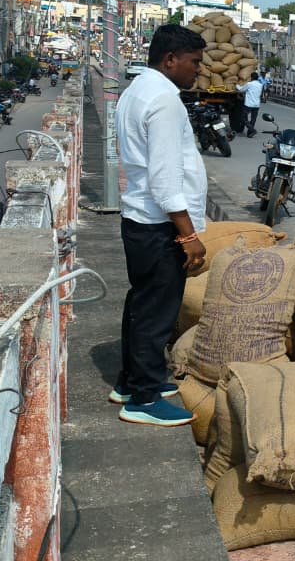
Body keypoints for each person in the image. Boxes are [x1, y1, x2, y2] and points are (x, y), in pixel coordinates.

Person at [112, 24, 208, 427]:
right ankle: (144, 398)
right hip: (159, 225)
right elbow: (165, 179)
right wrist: (189, 235)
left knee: (142, 303)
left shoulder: (137, 90)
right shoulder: (165, 100)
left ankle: (131, 381)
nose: (198, 70)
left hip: (140, 218)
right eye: (193, 62)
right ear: (170, 59)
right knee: (156, 313)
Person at [236, 71, 264, 138]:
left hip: (248, 104)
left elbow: (241, 90)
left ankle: (252, 130)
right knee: (253, 119)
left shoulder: (249, 84)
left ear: (251, 77)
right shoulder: (260, 85)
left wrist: (237, 85)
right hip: (256, 105)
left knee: (243, 118)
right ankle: (249, 134)